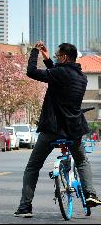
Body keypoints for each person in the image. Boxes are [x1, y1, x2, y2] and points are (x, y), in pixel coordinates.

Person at [15, 42, 101, 218]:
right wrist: (47, 59)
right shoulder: (81, 77)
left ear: (64, 57)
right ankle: (90, 194)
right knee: (82, 161)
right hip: (74, 129)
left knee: (33, 166)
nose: (55, 57)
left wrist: (34, 52)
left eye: (57, 56)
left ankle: (25, 207)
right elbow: (58, 77)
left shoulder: (60, 73)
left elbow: (32, 72)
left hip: (53, 128)